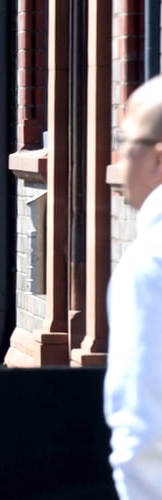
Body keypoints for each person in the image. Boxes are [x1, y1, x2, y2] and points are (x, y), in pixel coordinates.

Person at [104, 75, 162, 500]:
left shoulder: (150, 263)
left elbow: (145, 439)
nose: (118, 157)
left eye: (125, 142)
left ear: (157, 157)